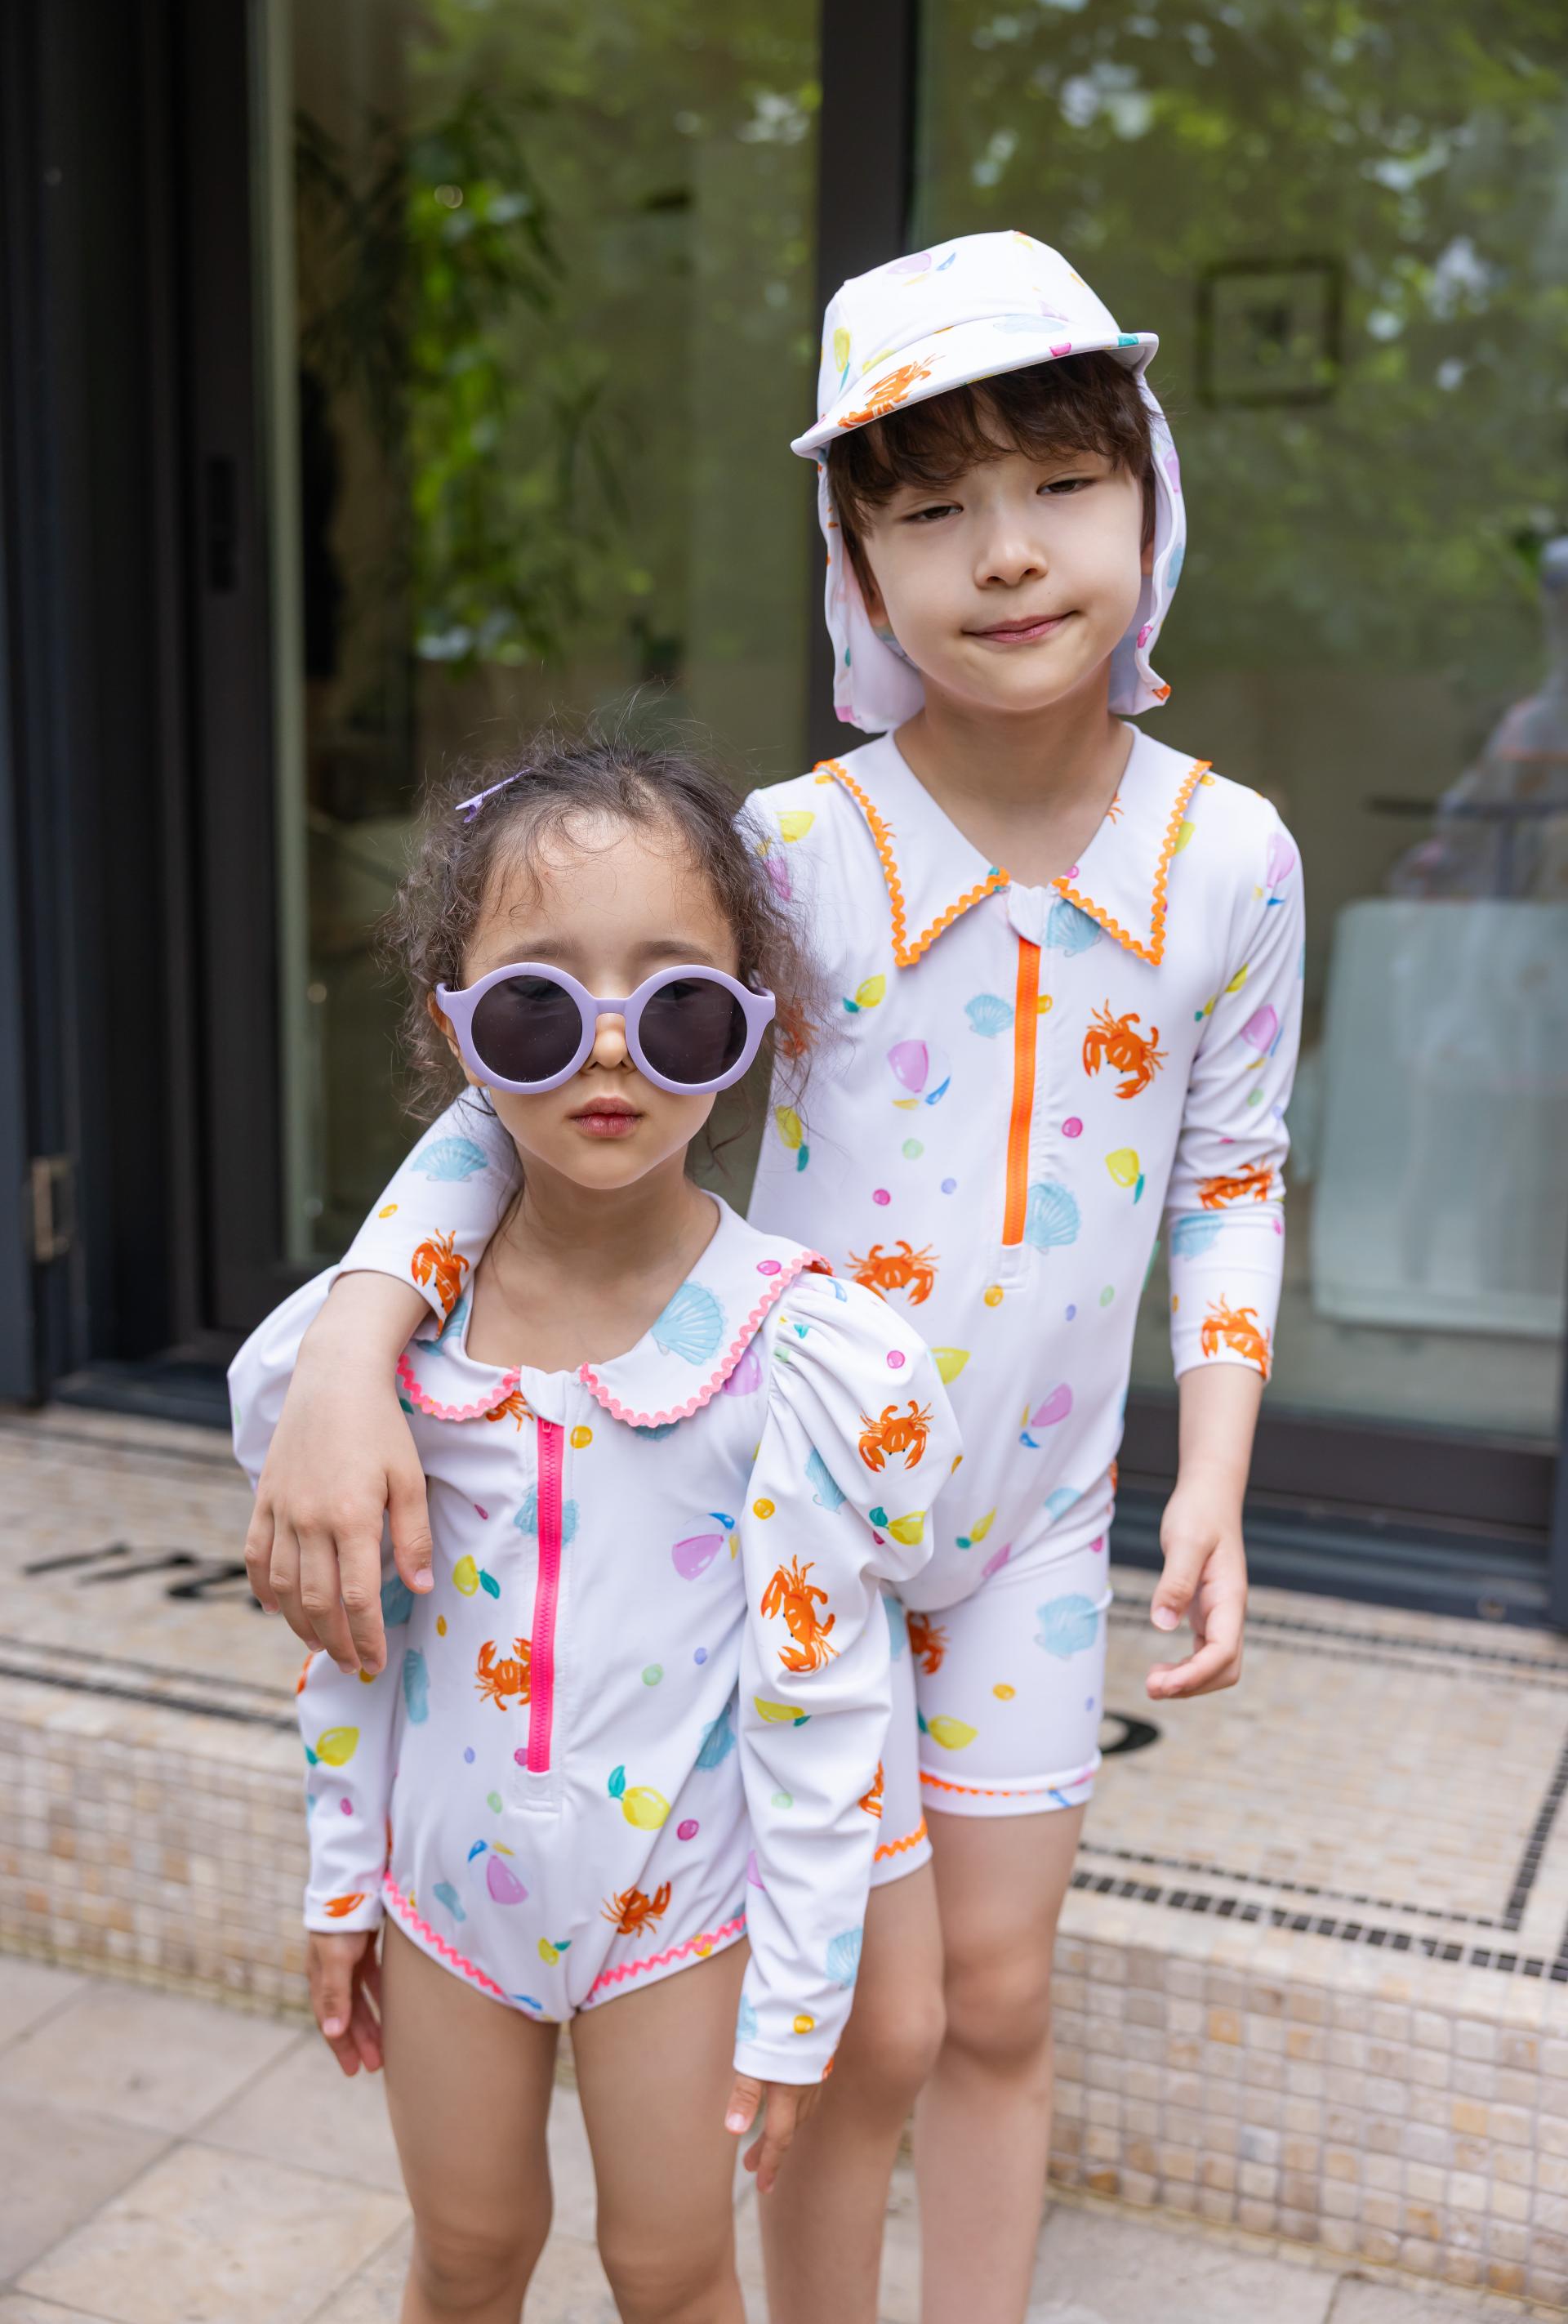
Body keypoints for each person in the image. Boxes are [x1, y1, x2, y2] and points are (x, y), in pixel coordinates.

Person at [244, 231, 1305, 2324]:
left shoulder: (1234, 860)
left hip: (1032, 1519)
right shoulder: (793, 850)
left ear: (1152, 500)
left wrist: (1217, 1468)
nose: (1008, 552)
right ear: (857, 564)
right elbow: (519, 1105)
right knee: (859, 2020)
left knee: (996, 1992)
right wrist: (357, 1348)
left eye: (1062, 485)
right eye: (933, 509)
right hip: (781, 1509)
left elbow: (1233, 1175)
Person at [229, 730, 959, 2324]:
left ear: (750, 1026)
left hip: (677, 1920)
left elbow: (825, 1704)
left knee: (670, 2269)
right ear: (456, 1029)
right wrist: (344, 1874)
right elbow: (353, 1639)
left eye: (677, 1004)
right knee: (467, 2250)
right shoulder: (391, 1344)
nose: (610, 1049)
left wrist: (799, 1995)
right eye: (538, 1007)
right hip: (449, 1905)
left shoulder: (795, 1353)